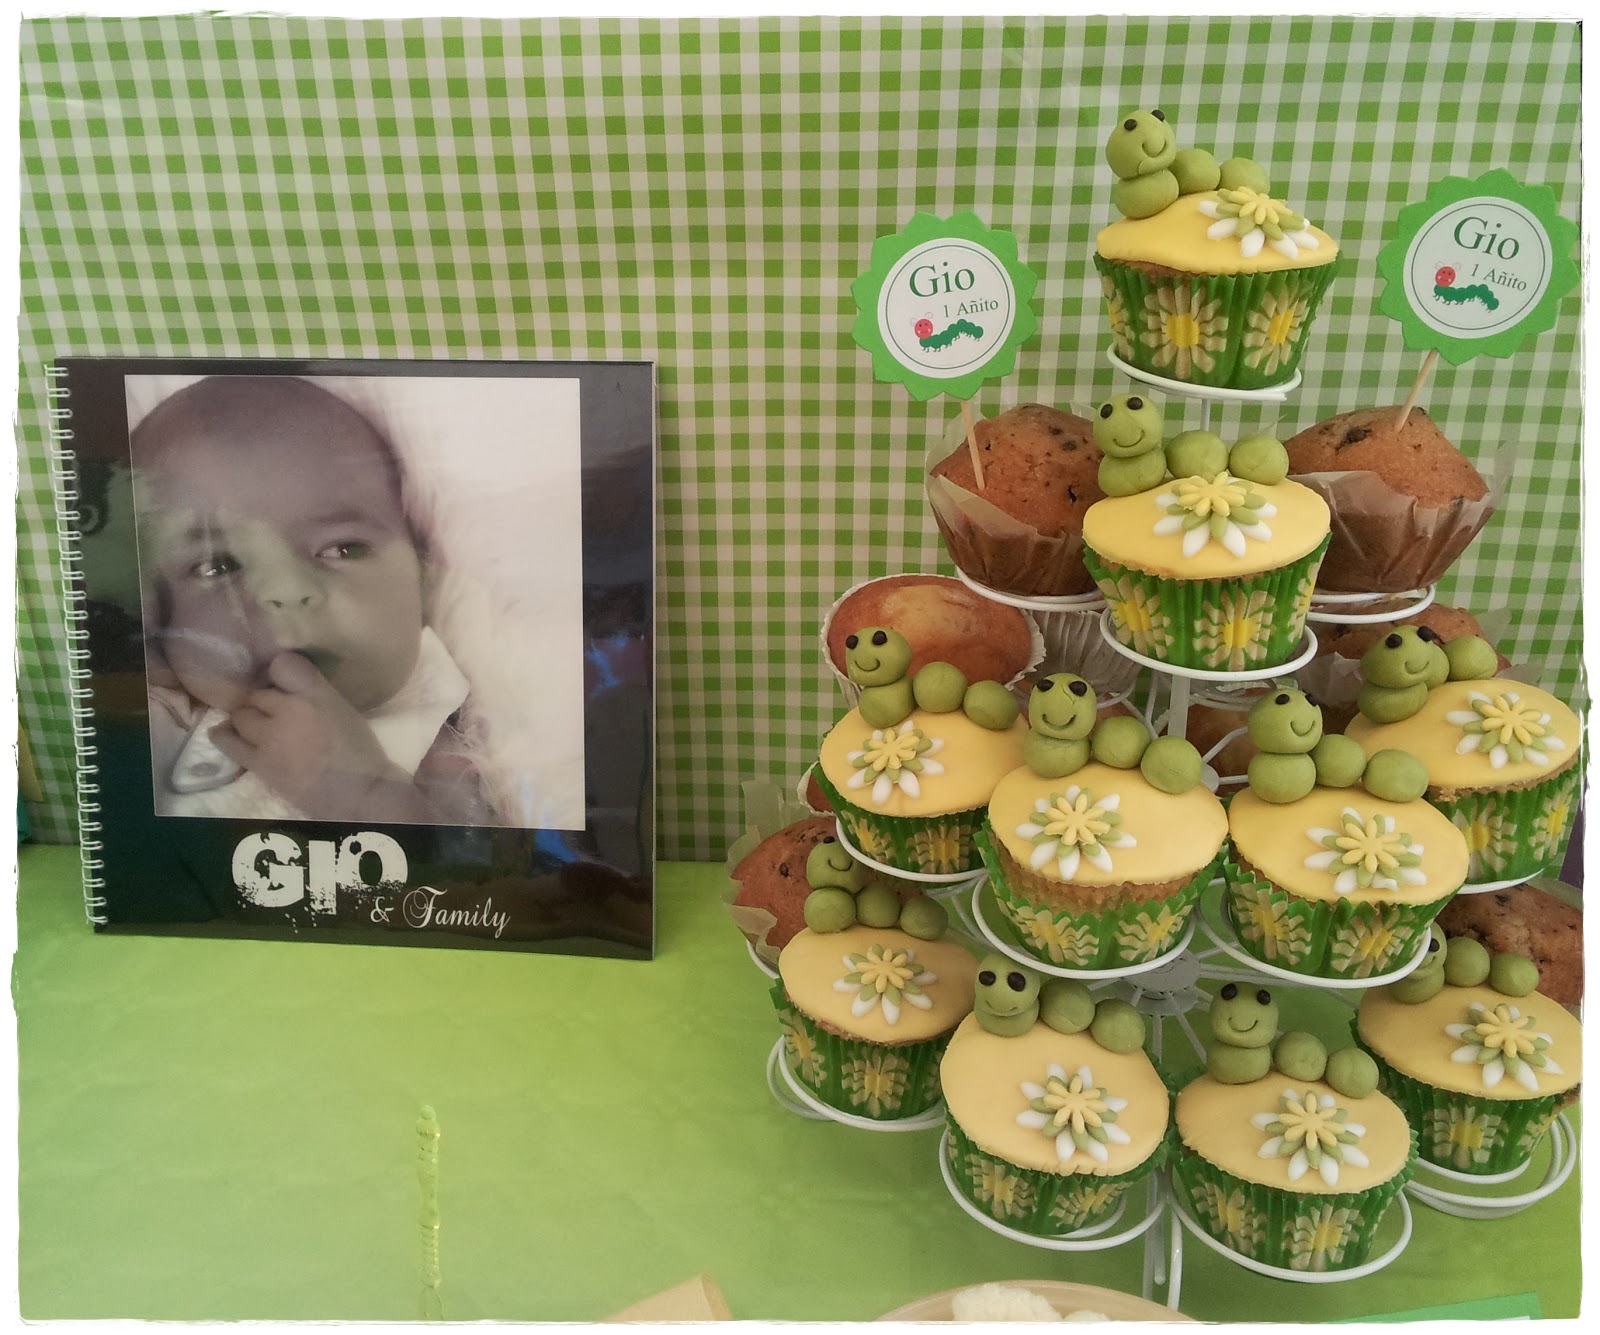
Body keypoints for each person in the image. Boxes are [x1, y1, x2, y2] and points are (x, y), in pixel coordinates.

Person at [132, 375, 486, 825]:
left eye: (342, 549)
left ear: (425, 578)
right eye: (217, 566)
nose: (285, 590)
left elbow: (473, 861)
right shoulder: (164, 713)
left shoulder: (463, 734)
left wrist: (366, 794)